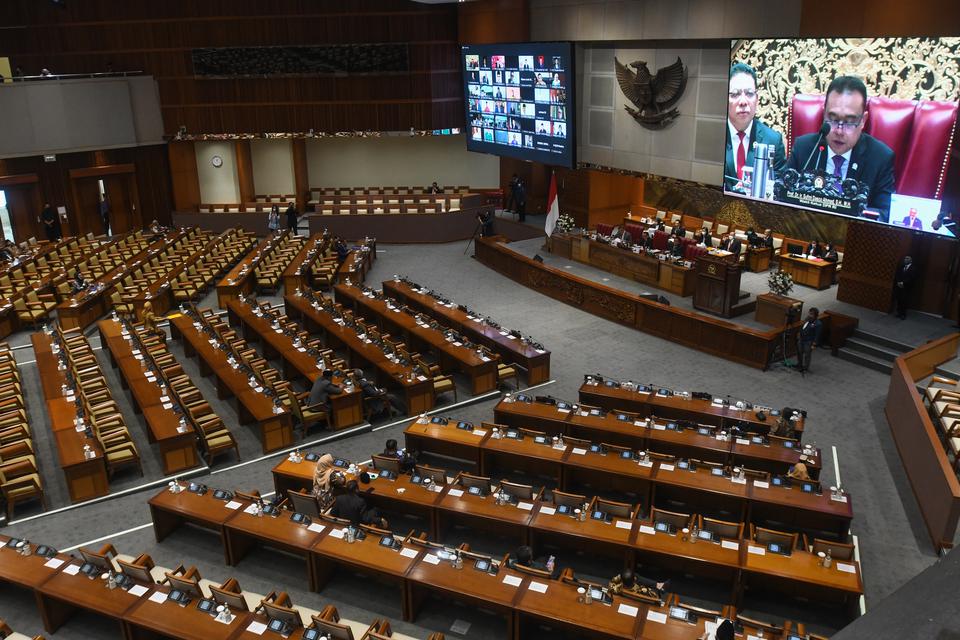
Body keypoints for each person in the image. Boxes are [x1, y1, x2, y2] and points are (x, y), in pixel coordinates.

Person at [786, 75, 895, 221]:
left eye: (849, 122)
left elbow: (884, 214)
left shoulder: (880, 158)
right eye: (833, 119)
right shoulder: (804, 149)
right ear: (824, 113)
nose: (839, 131)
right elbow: (782, 196)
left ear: (863, 120)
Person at [724, 63, 785, 192]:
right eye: (735, 94)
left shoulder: (773, 141)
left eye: (749, 94)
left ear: (757, 99)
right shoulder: (712, 135)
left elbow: (778, 192)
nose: (743, 102)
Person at [797, 307, 822, 373]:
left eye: (811, 314)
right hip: (801, 339)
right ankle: (799, 365)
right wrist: (799, 334)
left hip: (808, 342)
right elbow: (802, 327)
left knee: (807, 355)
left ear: (815, 316)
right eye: (809, 313)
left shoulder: (818, 324)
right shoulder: (807, 319)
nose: (809, 315)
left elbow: (817, 335)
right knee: (799, 353)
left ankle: (805, 367)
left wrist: (814, 344)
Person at [893, 255, 917, 319]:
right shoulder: (901, 266)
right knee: (899, 300)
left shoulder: (913, 268)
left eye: (907, 258)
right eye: (905, 258)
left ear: (911, 260)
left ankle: (903, 314)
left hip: (906, 287)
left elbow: (911, 278)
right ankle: (898, 313)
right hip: (899, 286)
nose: (905, 259)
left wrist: (903, 283)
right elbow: (897, 274)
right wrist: (898, 282)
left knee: (904, 301)